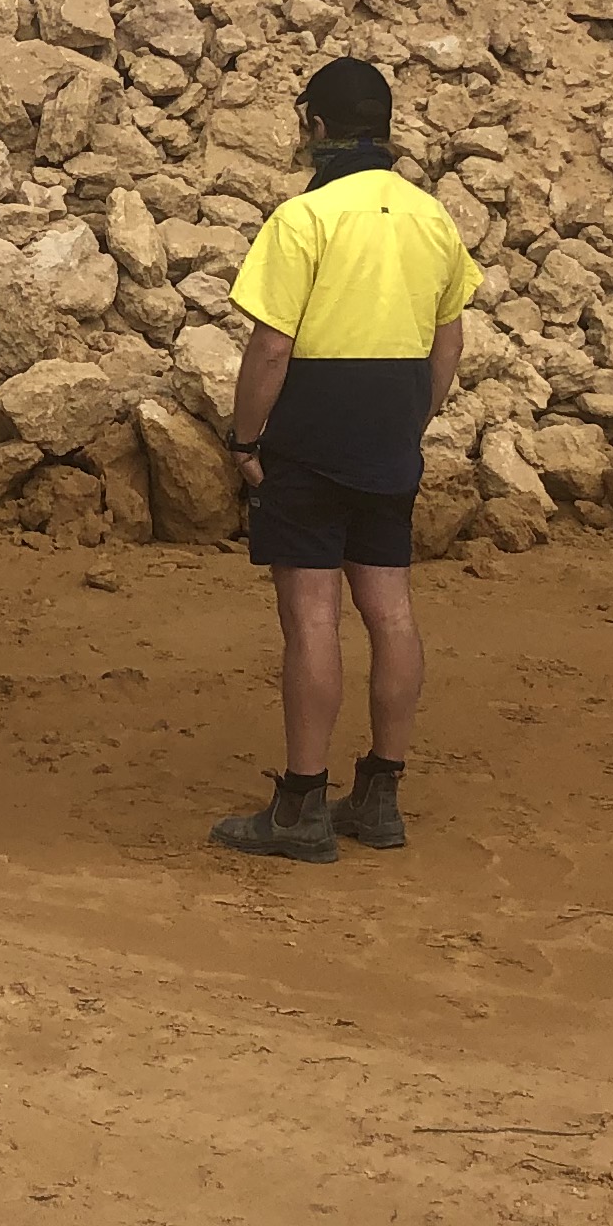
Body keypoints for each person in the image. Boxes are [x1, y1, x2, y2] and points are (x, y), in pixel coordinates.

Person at [211, 56, 478, 864]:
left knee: (312, 617)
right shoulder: (432, 218)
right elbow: (450, 338)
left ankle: (301, 803)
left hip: (312, 431)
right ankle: (383, 792)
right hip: (390, 427)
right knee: (389, 607)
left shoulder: (305, 219)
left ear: (316, 128)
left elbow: (270, 347)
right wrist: (412, 421)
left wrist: (245, 441)